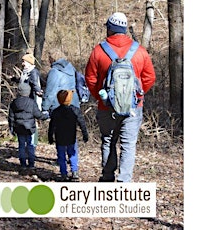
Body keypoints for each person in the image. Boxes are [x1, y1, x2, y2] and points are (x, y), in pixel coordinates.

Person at [84, 12, 156, 182]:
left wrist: (102, 98)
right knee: (128, 145)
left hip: (106, 107)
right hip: (133, 108)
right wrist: (136, 96)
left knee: (108, 141)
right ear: (124, 29)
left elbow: (90, 79)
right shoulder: (139, 51)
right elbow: (149, 77)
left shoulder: (98, 51)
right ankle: (124, 183)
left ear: (109, 29)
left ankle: (108, 178)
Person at [48, 90, 89, 182]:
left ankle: (63, 174)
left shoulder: (56, 112)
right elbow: (82, 123)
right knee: (73, 154)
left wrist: (50, 137)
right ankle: (74, 172)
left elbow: (52, 126)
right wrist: (85, 134)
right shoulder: (75, 110)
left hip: (60, 138)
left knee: (61, 156)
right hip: (71, 137)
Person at [8, 83, 49, 171]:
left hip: (18, 128)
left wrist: (11, 128)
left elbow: (11, 117)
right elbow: (38, 114)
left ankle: (22, 164)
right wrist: (46, 116)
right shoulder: (31, 102)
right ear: (28, 92)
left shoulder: (14, 103)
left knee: (21, 145)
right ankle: (31, 163)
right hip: (29, 128)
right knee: (30, 145)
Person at [42, 49, 81, 115]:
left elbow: (50, 93)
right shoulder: (71, 67)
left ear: (52, 59)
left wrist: (44, 107)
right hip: (74, 104)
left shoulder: (54, 72)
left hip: (59, 106)